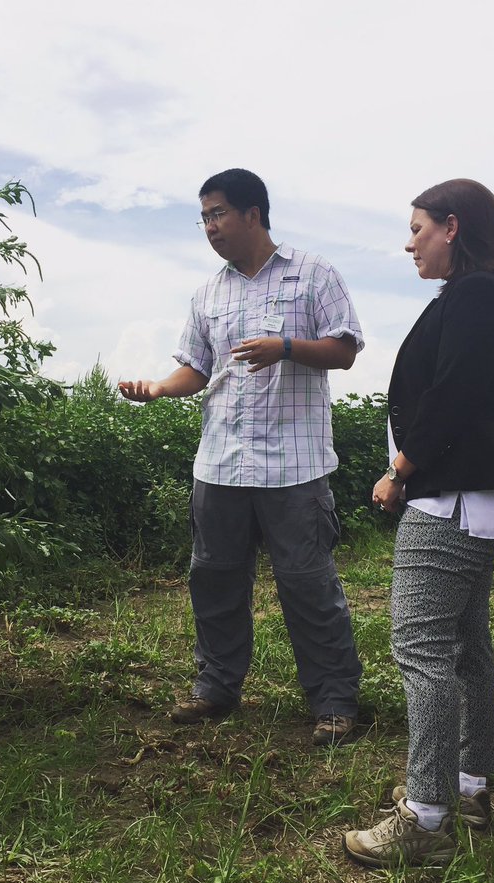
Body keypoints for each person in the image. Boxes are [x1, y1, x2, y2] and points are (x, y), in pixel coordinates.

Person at [118, 168, 364, 747]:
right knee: (214, 578)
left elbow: (345, 350)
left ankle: (334, 700)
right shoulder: (209, 292)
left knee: (307, 582)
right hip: (221, 462)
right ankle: (216, 687)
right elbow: (197, 368)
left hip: (294, 466)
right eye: (204, 217)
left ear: (253, 214)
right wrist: (160, 387)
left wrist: (285, 347)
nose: (210, 227)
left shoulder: (314, 274)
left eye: (219, 213)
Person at [342, 179, 494, 866]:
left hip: (448, 496)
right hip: (471, 493)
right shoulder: (483, 295)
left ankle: (425, 821)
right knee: (463, 645)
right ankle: (471, 783)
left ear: (452, 227)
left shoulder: (478, 295)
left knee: (422, 650)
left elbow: (453, 393)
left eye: (418, 228)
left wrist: (402, 467)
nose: (409, 241)